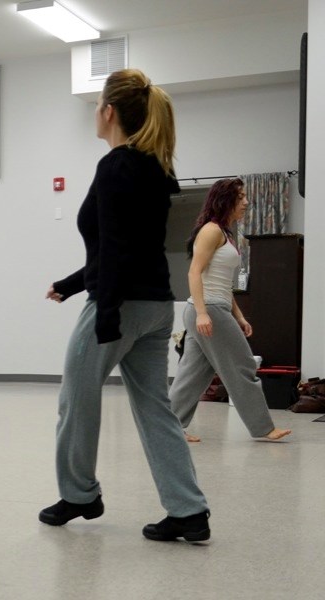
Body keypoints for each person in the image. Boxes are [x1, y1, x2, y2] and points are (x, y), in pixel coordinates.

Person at [39, 69, 211, 542]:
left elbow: (116, 247)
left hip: (121, 305)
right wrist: (73, 283)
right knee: (156, 407)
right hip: (156, 305)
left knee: (75, 398)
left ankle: (79, 494)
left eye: (97, 104)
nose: (95, 112)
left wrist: (106, 314)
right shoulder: (156, 165)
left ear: (109, 112)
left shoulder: (115, 165)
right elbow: (130, 246)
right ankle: (188, 511)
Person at [168, 179, 292, 443]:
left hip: (213, 306)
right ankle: (263, 428)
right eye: (241, 197)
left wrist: (239, 315)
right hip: (207, 309)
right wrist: (202, 313)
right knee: (244, 365)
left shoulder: (225, 233)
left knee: (193, 374)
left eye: (246, 196)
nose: (246, 202)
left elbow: (223, 283)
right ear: (225, 200)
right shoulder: (211, 231)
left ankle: (168, 428)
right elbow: (194, 273)